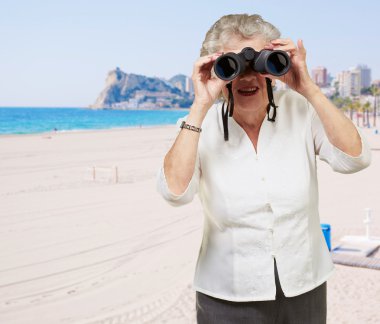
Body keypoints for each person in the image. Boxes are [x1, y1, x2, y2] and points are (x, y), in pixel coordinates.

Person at [156, 14, 371, 324]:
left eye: (259, 63)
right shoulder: (199, 128)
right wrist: (201, 104)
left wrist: (308, 88)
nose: (248, 77)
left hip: (304, 285)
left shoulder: (300, 111)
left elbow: (357, 158)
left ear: (274, 66)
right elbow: (174, 193)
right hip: (227, 294)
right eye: (233, 66)